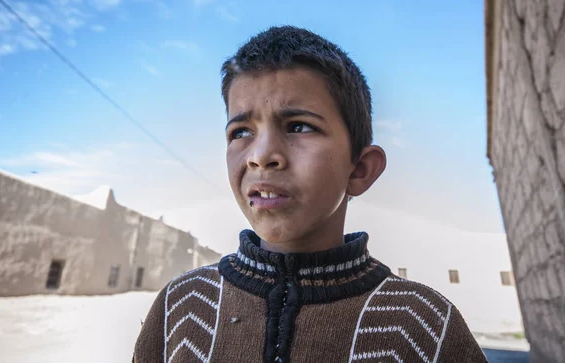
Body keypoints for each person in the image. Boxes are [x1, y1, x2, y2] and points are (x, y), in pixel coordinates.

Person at [133, 26, 487, 363]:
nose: (261, 155)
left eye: (299, 127)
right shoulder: (182, 306)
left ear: (360, 169)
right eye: (241, 132)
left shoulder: (422, 325)